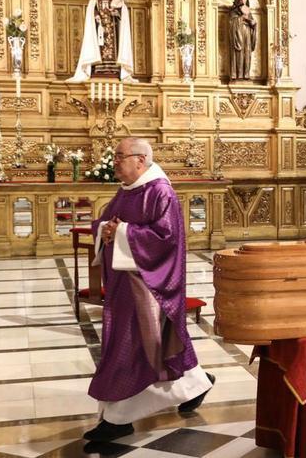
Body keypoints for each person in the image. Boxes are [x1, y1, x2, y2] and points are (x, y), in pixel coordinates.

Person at [83, 138, 214, 442]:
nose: (114, 161)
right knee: (150, 345)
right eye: (114, 155)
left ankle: (119, 419)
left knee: (137, 345)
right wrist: (105, 229)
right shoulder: (129, 189)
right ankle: (197, 383)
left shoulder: (160, 190)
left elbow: (166, 237)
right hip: (123, 284)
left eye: (120, 156)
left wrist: (123, 232)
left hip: (148, 285)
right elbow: (107, 222)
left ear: (140, 160)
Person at [229, 0, 257, 80]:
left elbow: (252, 22)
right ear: (238, 0)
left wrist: (253, 23)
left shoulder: (248, 10)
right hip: (238, 32)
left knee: (247, 52)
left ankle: (246, 74)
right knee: (239, 52)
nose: (243, 1)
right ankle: (238, 74)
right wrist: (241, 18)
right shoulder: (234, 11)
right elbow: (231, 22)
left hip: (247, 32)